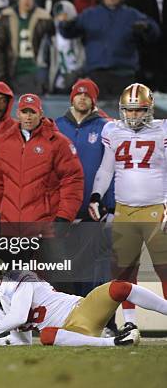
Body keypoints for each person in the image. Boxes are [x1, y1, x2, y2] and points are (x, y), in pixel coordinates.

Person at [0, 93, 84, 289]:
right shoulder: (3, 142)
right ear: (17, 114)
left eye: (32, 112)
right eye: (24, 112)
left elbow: (73, 181)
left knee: (60, 281)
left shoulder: (57, 143)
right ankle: (12, 320)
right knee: (6, 285)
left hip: (45, 225)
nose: (28, 117)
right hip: (11, 226)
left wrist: (64, 217)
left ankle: (66, 320)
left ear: (41, 114)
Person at [88, 83, 167, 329]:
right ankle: (130, 324)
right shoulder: (112, 130)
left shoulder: (162, 130)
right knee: (124, 271)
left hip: (156, 209)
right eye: (129, 110)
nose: (133, 115)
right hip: (123, 210)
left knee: (164, 268)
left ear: (149, 109)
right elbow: (106, 168)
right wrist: (95, 196)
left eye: (139, 110)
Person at [0, 257, 167, 346]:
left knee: (119, 287)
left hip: (83, 311)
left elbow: (18, 317)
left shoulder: (20, 280)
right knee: (47, 336)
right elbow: (19, 343)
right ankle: (115, 342)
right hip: (73, 332)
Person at [55, 79, 115, 299]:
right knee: (64, 268)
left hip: (93, 210)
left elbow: (112, 169)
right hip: (62, 210)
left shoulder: (106, 127)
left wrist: (110, 206)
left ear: (93, 100)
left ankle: (98, 320)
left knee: (94, 269)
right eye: (78, 94)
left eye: (87, 95)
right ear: (72, 98)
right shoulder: (57, 125)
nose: (82, 98)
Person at [59, 0, 160, 96]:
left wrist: (147, 28)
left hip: (124, 74)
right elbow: (69, 32)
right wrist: (64, 25)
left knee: (123, 111)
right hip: (97, 74)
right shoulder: (89, 14)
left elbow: (154, 33)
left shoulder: (132, 14)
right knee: (99, 112)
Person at [0, 0, 53, 94]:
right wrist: (2, 73)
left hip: (34, 71)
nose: (27, 0)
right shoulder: (7, 16)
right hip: (13, 70)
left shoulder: (44, 18)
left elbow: (50, 47)